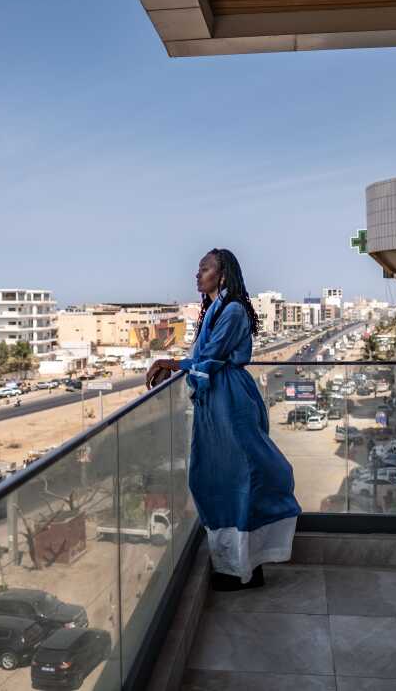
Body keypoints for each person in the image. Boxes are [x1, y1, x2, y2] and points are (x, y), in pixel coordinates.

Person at [147, 248, 300, 591]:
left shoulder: (231, 311)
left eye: (204, 268)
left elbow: (210, 358)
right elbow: (203, 358)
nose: (197, 275)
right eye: (198, 269)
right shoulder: (217, 309)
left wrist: (170, 363)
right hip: (216, 399)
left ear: (223, 274)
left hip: (228, 398)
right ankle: (238, 565)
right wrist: (179, 363)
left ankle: (243, 568)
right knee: (216, 476)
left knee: (239, 473)